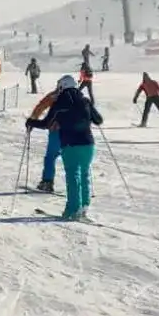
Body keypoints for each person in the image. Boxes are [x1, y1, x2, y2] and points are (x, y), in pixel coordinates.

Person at [27, 75, 104, 220]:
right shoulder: (85, 101)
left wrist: (31, 122)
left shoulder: (60, 102)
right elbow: (98, 120)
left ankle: (72, 210)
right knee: (84, 174)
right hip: (88, 144)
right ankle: (84, 207)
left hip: (70, 144)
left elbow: (46, 123)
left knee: (73, 175)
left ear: (62, 86)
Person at [28, 83, 62, 193]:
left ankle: (47, 182)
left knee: (50, 157)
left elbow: (41, 106)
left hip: (56, 131)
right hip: (75, 133)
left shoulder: (54, 96)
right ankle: (77, 184)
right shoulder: (78, 96)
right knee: (71, 158)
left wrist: (32, 120)